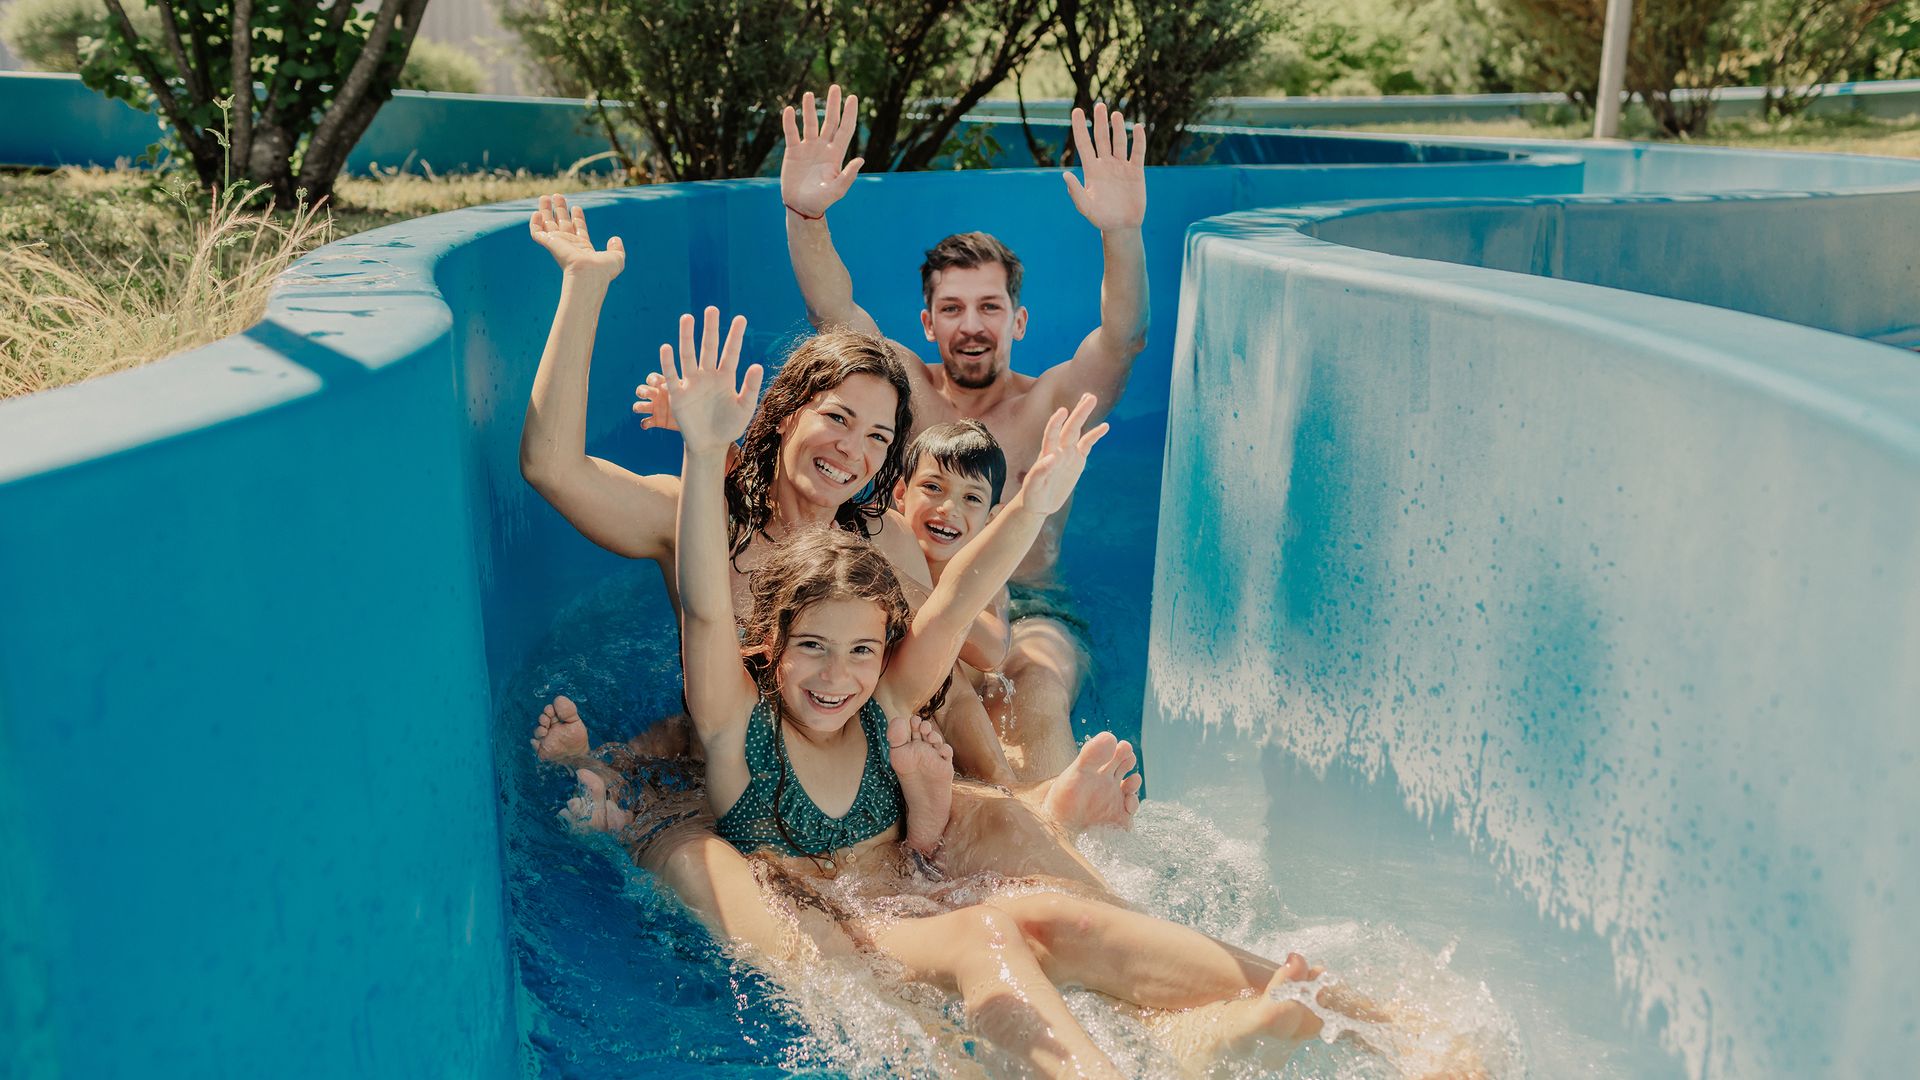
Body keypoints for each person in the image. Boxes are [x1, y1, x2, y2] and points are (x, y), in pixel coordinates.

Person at [666, 310, 1362, 1078]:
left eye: (862, 650)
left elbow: (957, 598)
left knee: (1050, 917)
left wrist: (1030, 505)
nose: (838, 676)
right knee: (989, 936)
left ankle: (1325, 1013)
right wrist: (704, 450)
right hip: (847, 927)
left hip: (912, 891)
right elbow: (704, 605)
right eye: (813, 650)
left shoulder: (885, 705)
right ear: (769, 646)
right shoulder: (738, 726)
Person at [519, 195, 1138, 961]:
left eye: (878, 436)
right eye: (838, 418)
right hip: (738, 775)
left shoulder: (879, 538)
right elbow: (551, 468)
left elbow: (936, 671)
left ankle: (1038, 815)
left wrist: (1002, 792)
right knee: (661, 805)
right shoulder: (694, 517)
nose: (853, 450)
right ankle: (612, 778)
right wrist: (583, 286)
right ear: (785, 413)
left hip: (849, 785)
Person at [770, 85, 1151, 782]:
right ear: (927, 325)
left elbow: (1123, 340)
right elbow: (833, 309)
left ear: (1019, 321)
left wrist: (1121, 233)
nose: (971, 324)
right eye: (952, 308)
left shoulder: (1055, 403)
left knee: (1033, 689)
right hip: (907, 595)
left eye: (989, 306)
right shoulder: (905, 388)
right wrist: (806, 214)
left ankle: (1059, 846)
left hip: (1030, 609)